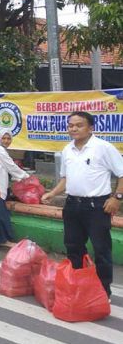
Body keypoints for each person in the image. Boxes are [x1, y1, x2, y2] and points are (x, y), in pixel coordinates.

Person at [42, 111, 123, 298]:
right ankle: (77, 287)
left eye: (79, 125)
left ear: (91, 128)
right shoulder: (67, 150)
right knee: (73, 247)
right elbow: (66, 179)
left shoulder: (103, 148)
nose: (74, 128)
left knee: (101, 249)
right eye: (71, 125)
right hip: (72, 206)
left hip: (96, 207)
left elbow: (121, 174)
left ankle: (104, 292)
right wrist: (52, 193)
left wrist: (116, 198)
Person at [0, 130, 29, 247]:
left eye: (8, 139)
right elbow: (11, 167)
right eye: (4, 138)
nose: (6, 141)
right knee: (1, 214)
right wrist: (26, 177)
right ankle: (5, 239)